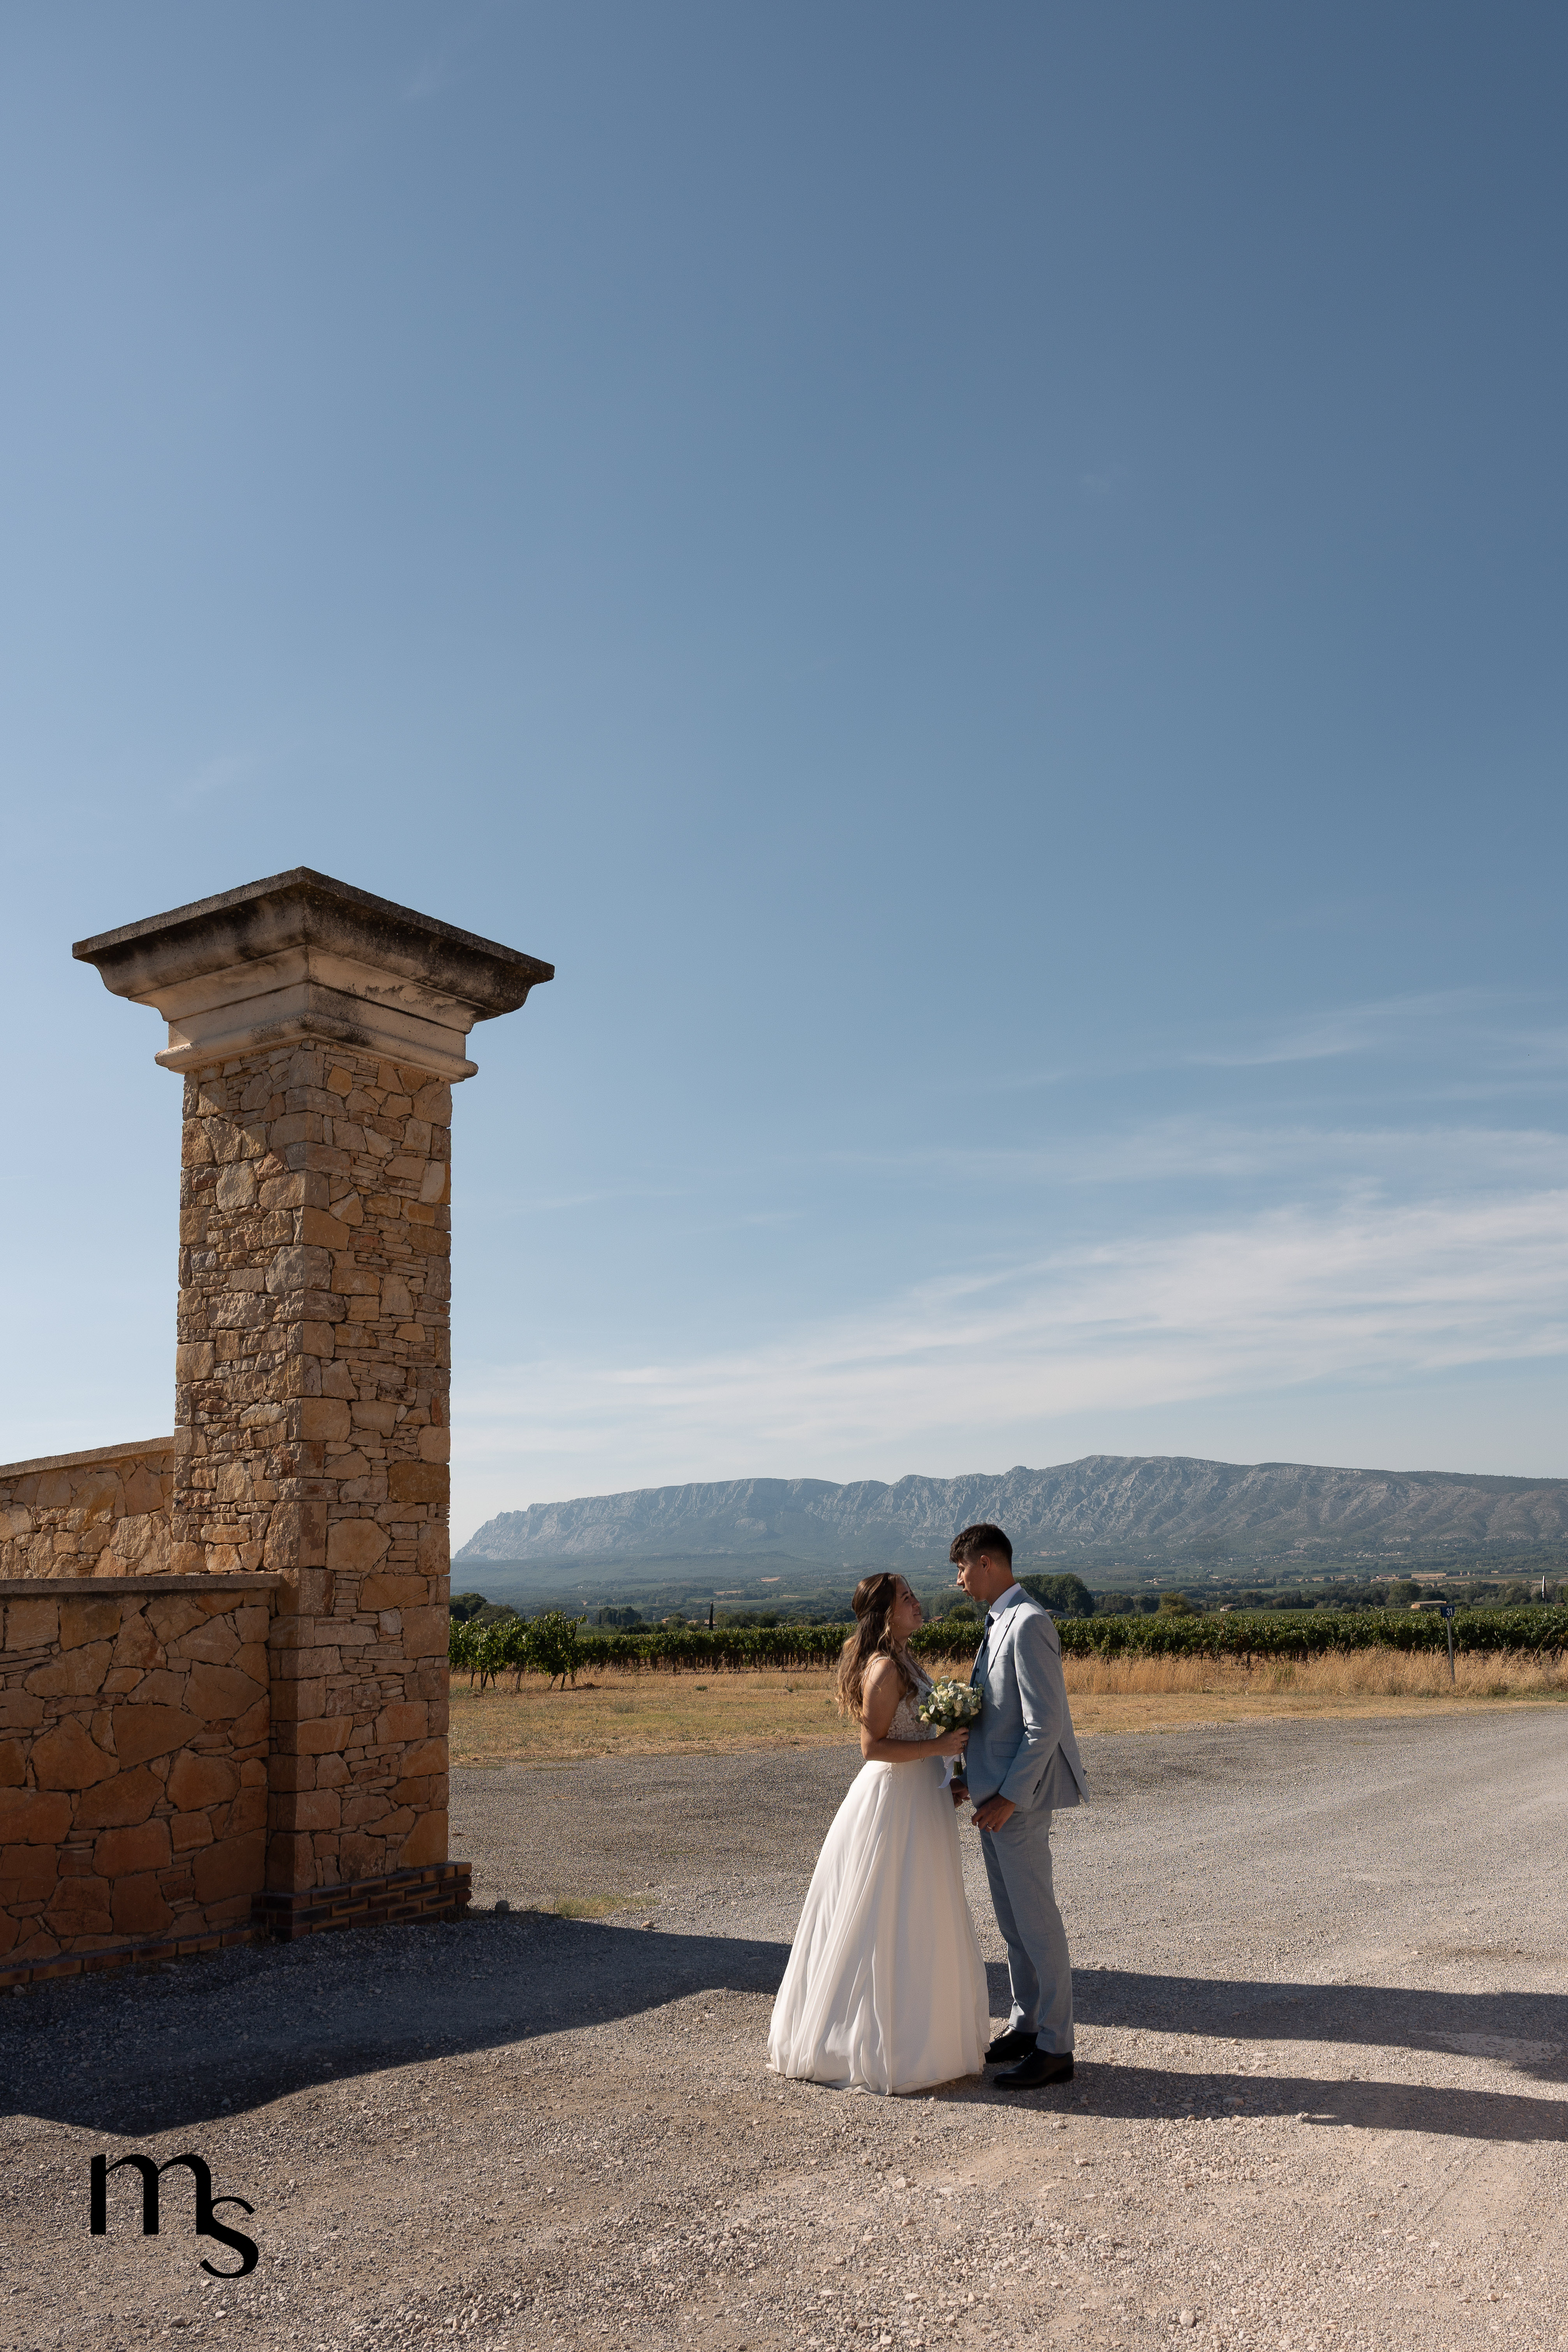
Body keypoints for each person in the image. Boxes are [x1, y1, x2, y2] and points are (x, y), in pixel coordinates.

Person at [767, 1571, 990, 2095]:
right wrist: (938, 1750)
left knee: (922, 1909)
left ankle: (921, 2037)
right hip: (892, 1801)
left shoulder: (907, 1659)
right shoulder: (886, 1667)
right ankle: (872, 2043)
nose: (917, 1603)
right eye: (906, 1598)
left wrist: (946, 1776)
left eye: (913, 1595)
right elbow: (873, 1748)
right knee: (887, 1911)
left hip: (923, 1796)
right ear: (886, 1613)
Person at [950, 1521, 1087, 2090]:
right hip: (993, 1799)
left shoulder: (1028, 1623)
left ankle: (1056, 2048)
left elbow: (1045, 1724)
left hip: (1017, 1804)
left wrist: (1009, 1795)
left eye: (961, 1569)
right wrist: (968, 1776)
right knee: (1013, 1925)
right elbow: (999, 1721)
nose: (959, 1581)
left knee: (1037, 1923)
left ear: (987, 1562)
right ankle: (1027, 2026)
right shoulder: (998, 1621)